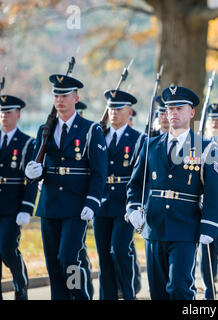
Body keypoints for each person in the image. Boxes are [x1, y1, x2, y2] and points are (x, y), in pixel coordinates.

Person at [126, 86, 218, 300]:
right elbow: (136, 184)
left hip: (185, 227)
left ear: (191, 113)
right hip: (154, 227)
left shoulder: (206, 148)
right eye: (169, 109)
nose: (173, 113)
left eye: (179, 108)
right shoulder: (150, 145)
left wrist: (210, 224)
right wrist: (133, 208)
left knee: (180, 287)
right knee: (158, 291)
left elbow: (215, 192)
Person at [25, 73, 108, 300]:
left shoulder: (90, 130)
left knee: (69, 259)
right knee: (53, 265)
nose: (60, 99)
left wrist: (92, 201)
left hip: (76, 206)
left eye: (65, 95)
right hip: (50, 205)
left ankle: (80, 296)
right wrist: (33, 173)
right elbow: (40, 164)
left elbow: (100, 172)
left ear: (76, 97)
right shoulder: (46, 128)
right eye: (56, 95)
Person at [93, 89, 144, 300]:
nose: (113, 111)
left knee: (119, 251)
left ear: (129, 111)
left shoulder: (139, 139)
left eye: (118, 108)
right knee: (104, 257)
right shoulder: (98, 135)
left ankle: (129, 293)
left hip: (125, 204)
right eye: (111, 107)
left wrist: (140, 205)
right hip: (102, 203)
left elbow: (142, 176)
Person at [0, 94, 38, 300]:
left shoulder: (26, 143)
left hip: (12, 206)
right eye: (2, 112)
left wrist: (26, 208)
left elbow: (31, 179)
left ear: (18, 114)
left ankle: (20, 283)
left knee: (6, 248)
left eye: (9, 112)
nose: (4, 115)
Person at [198, 102, 218, 300]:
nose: (215, 122)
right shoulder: (201, 145)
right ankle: (210, 291)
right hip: (205, 206)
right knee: (206, 255)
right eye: (212, 119)